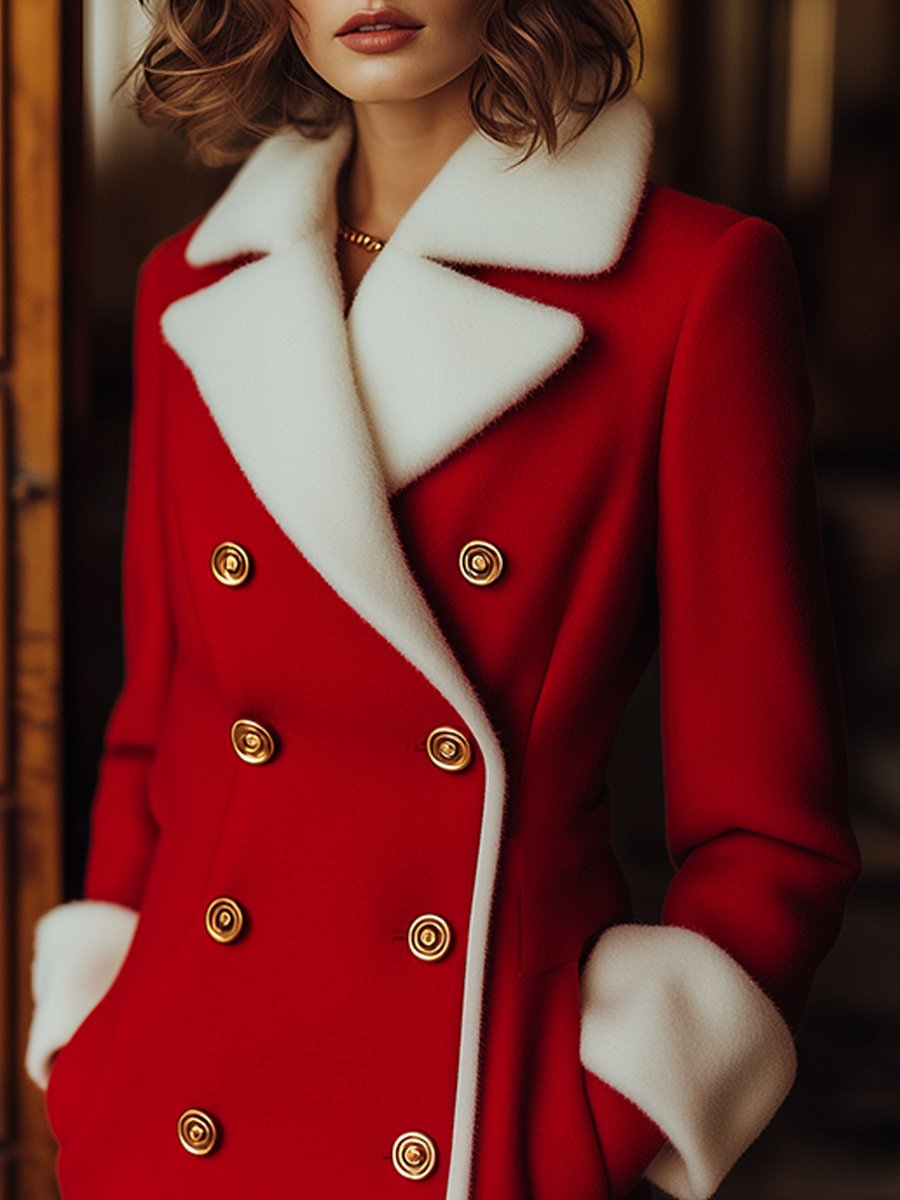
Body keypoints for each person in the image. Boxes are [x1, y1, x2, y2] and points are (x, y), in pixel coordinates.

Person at [24, 2, 861, 1198]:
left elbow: (771, 827)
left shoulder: (690, 286)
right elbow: (158, 731)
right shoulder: (189, 291)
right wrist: (90, 1030)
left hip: (474, 1114)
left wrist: (605, 1106)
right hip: (169, 1112)